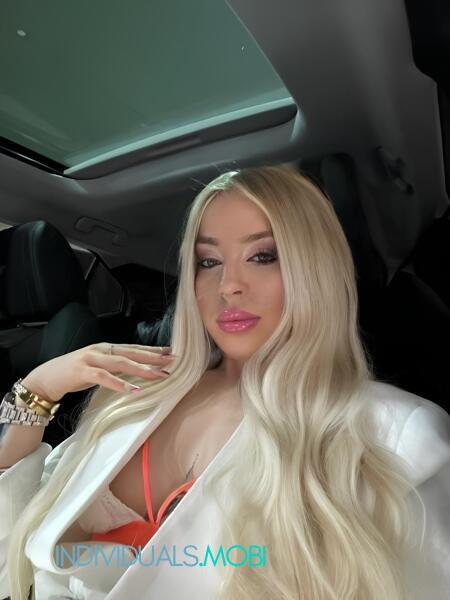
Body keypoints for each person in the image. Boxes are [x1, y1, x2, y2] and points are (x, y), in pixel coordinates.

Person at [0, 165, 448, 600]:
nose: (228, 285)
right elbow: (19, 532)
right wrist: (37, 390)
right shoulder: (139, 389)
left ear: (316, 269)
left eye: (263, 256)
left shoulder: (398, 434)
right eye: (208, 261)